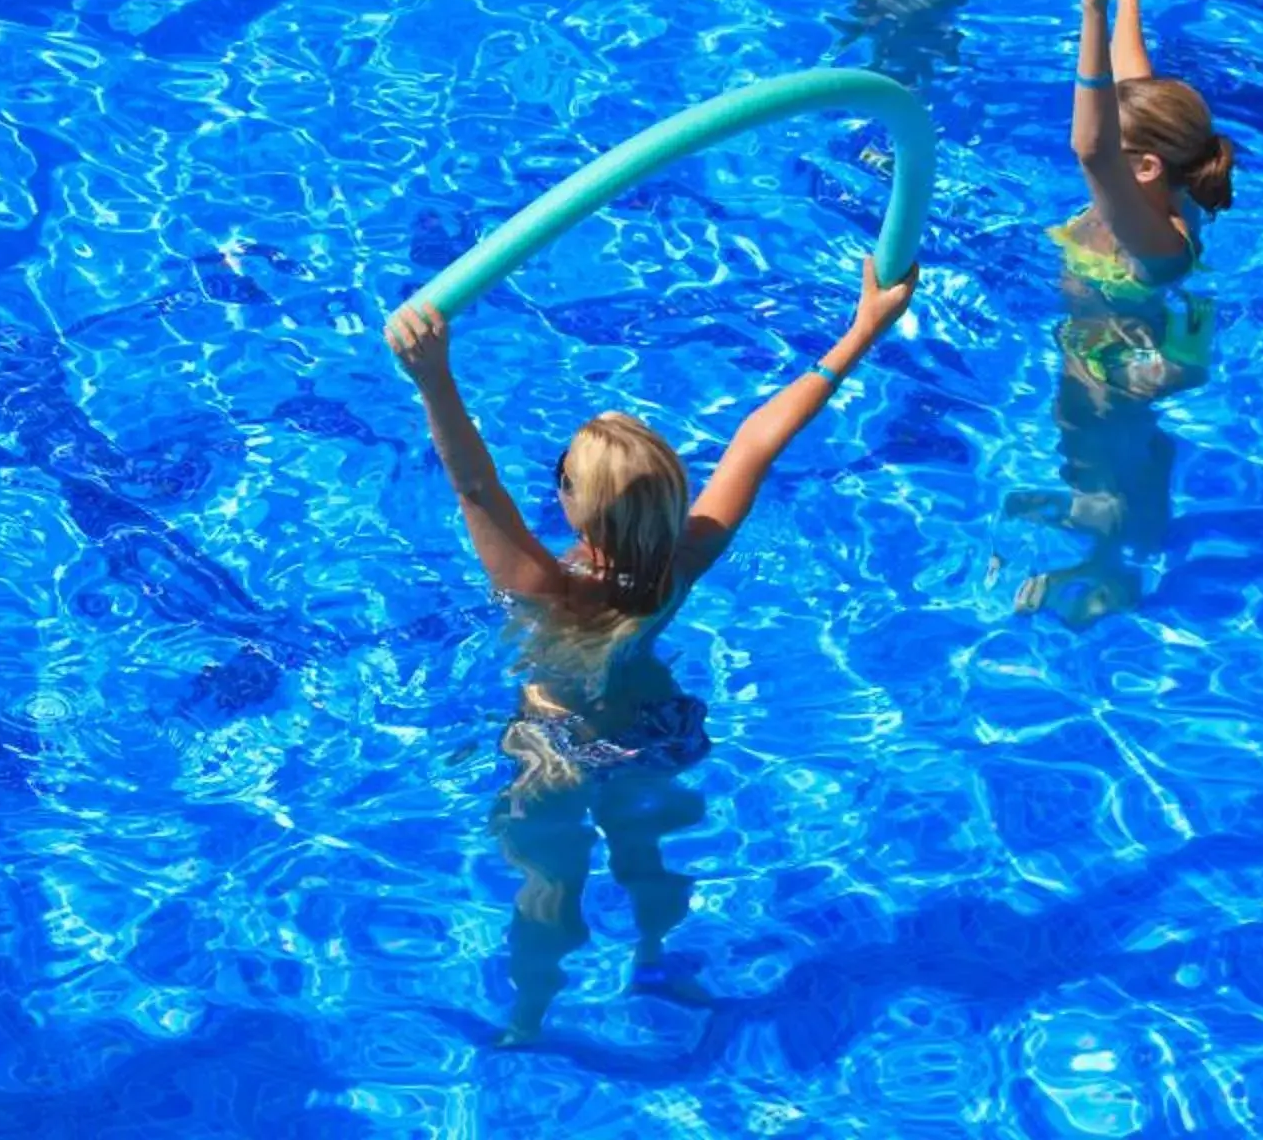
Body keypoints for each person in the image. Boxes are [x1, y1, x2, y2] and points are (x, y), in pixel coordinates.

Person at [387, 256, 916, 1035]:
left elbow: (474, 486)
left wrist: (433, 378)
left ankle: (527, 1020)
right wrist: (863, 329)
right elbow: (758, 441)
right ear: (671, 498)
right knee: (649, 864)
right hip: (659, 730)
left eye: (560, 476)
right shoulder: (682, 561)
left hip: (557, 746)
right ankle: (655, 960)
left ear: (571, 504)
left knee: (550, 892)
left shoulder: (547, 588)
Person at [1009, 0, 1237, 623]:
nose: (1099, 129)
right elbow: (1134, 84)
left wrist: (1090, 10)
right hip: (1130, 348)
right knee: (1130, 451)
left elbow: (1090, 147)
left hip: (1107, 368)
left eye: (1118, 141)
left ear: (1142, 169)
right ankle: (1147, 513)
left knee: (1089, 471)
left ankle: (1102, 574)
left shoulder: (1154, 239)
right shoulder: (1172, 181)